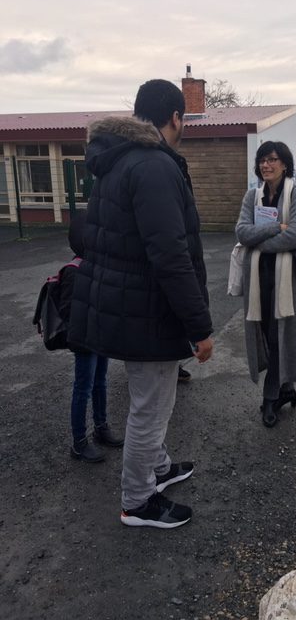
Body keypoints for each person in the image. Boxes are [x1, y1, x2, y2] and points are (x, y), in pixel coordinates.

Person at [68, 79, 214, 529]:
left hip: (127, 306)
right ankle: (137, 500)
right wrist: (199, 326)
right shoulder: (153, 165)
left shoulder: (118, 160)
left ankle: (160, 467)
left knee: (151, 400)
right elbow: (170, 255)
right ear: (176, 117)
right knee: (150, 408)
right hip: (148, 310)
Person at [236, 141, 296, 428]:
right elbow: (242, 232)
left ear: (285, 164)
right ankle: (286, 388)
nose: (266, 165)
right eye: (262, 160)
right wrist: (275, 228)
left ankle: (271, 396)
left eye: (272, 159)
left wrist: (259, 243)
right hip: (257, 277)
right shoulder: (252, 196)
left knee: (280, 334)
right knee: (266, 334)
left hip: (287, 278)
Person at [60, 210, 124, 463]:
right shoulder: (74, 270)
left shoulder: (98, 267)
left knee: (100, 383)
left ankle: (101, 427)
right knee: (83, 389)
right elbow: (68, 311)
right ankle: (79, 442)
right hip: (85, 342)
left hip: (100, 338)